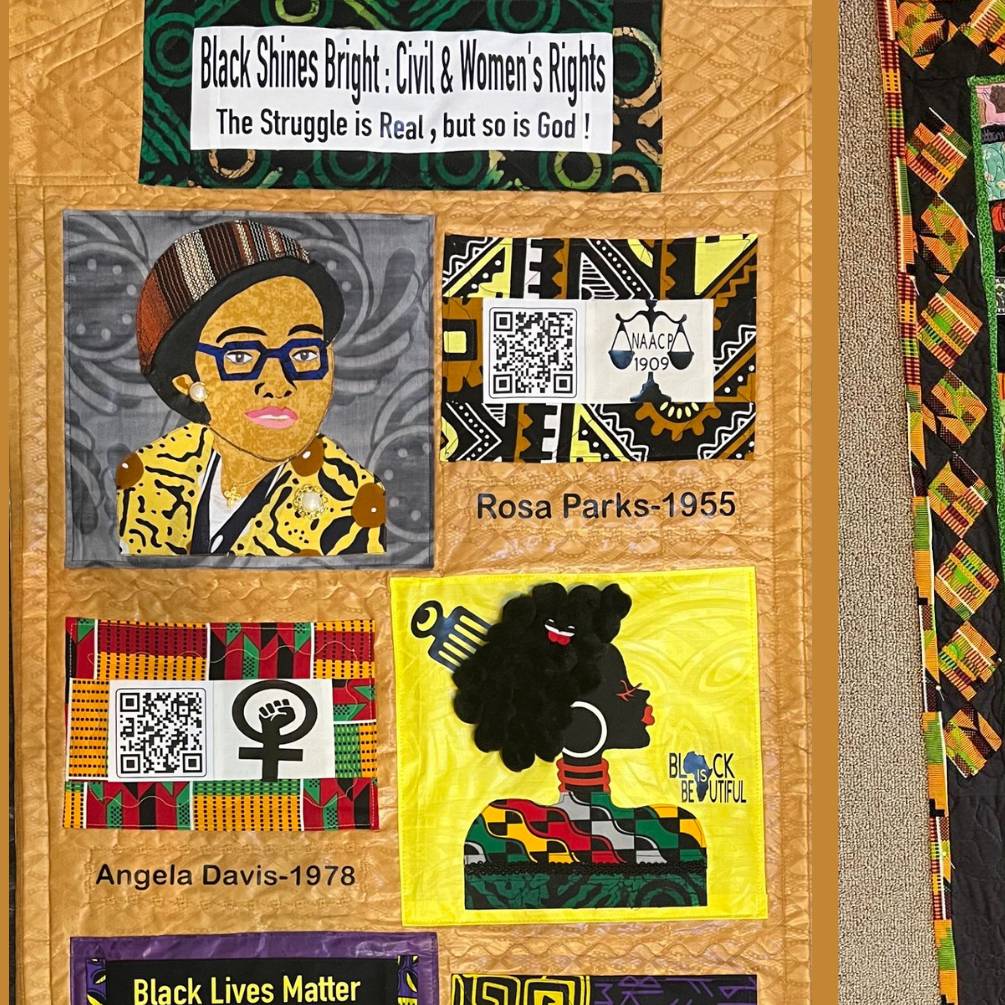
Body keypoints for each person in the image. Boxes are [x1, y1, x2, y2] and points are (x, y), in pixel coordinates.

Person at [115, 219, 385, 557]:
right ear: (186, 382)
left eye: (303, 353)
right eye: (241, 356)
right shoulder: (145, 477)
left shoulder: (358, 506)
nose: (278, 385)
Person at [449, 581, 709, 910]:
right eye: (626, 689)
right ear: (580, 720)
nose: (642, 695)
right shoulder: (674, 832)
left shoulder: (498, 828)